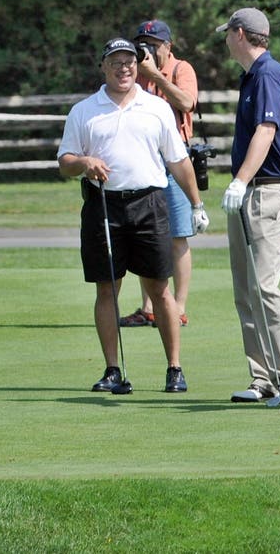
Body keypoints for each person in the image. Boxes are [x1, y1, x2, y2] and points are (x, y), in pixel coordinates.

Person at [57, 38, 209, 393]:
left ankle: (174, 367)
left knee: (160, 288)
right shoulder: (84, 111)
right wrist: (83, 162)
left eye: (129, 61)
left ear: (137, 67)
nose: (123, 67)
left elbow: (178, 160)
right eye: (116, 62)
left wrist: (196, 204)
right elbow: (65, 162)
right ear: (103, 67)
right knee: (107, 287)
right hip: (103, 205)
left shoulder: (155, 107)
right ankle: (112, 369)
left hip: (149, 203)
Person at [216, 7, 280, 404]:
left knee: (265, 287)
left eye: (227, 34)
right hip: (252, 190)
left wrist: (239, 180)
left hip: (265, 190)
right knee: (245, 289)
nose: (225, 41)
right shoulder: (251, 76)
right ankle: (262, 376)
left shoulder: (267, 74)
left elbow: (266, 132)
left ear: (239, 34)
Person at [119, 19, 200, 329]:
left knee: (177, 236)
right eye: (143, 43)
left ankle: (177, 307)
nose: (148, 48)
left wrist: (156, 77)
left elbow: (186, 102)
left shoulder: (181, 69)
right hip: (145, 162)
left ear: (168, 45)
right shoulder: (136, 72)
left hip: (175, 162)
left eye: (153, 43)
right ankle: (149, 307)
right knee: (146, 238)